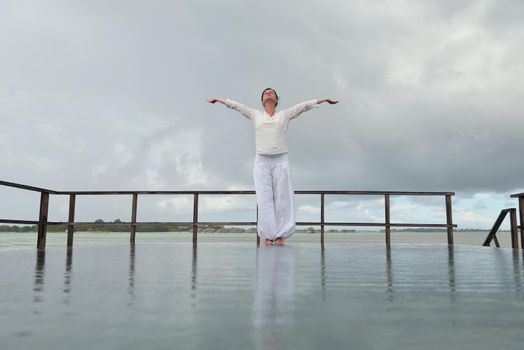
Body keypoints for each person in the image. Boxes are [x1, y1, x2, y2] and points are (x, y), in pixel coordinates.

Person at [207, 88, 338, 245]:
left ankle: (280, 234)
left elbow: (302, 106)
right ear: (262, 101)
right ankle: (268, 234)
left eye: (272, 92)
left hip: (281, 160)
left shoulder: (284, 114)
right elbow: (237, 106)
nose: (268, 93)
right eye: (265, 92)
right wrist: (219, 99)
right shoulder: (256, 115)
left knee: (282, 197)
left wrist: (322, 99)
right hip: (261, 161)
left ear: (276, 100)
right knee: (264, 198)